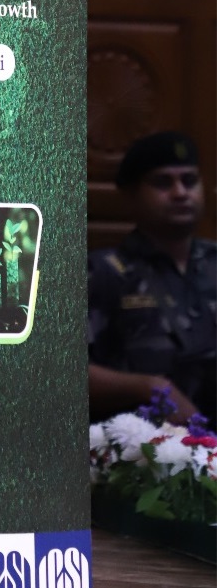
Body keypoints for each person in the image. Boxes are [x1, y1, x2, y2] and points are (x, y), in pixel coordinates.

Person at [88, 131, 215, 424]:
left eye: (189, 181)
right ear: (131, 196)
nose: (180, 193)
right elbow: (58, 370)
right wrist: (148, 387)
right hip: (144, 444)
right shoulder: (104, 272)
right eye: (162, 183)